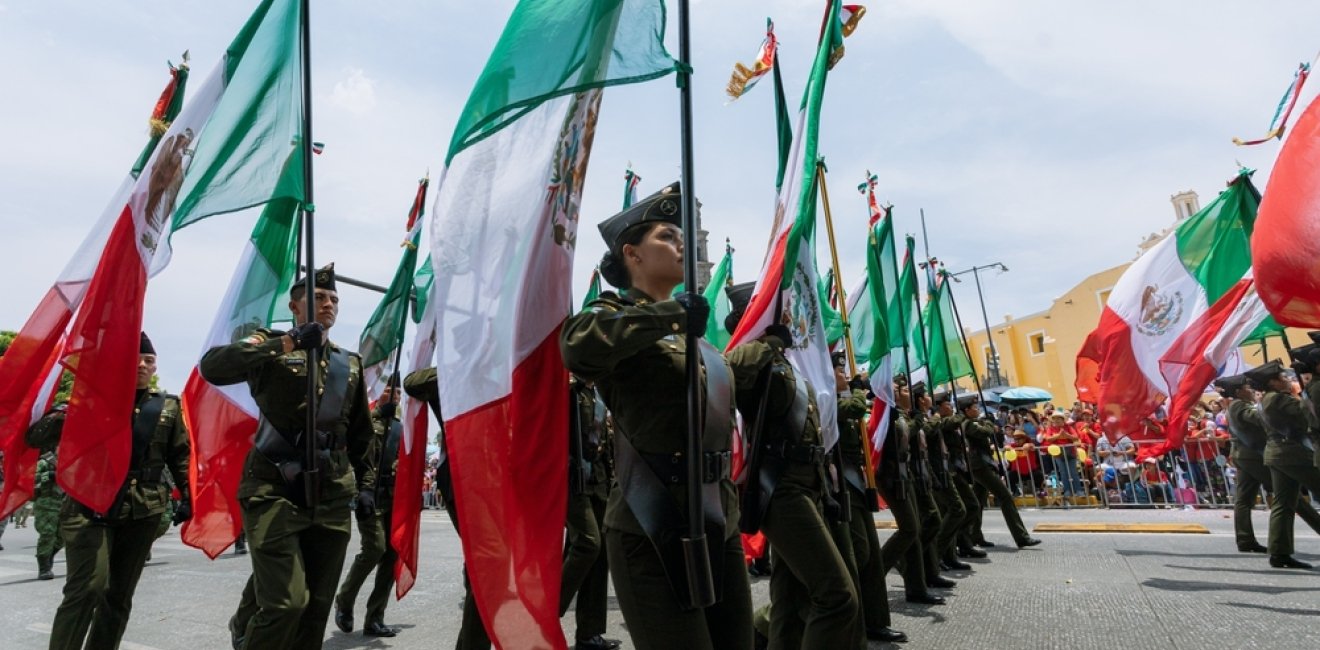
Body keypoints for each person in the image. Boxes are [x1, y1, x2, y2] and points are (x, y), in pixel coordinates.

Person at [560, 183, 752, 650]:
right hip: (652, 520)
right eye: (667, 236)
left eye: (682, 234)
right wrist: (668, 316)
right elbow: (578, 345)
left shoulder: (699, 338)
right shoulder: (618, 314)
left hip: (715, 515)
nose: (681, 243)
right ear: (633, 254)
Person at [200, 264, 377, 648]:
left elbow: (361, 433)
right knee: (286, 604)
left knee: (314, 608)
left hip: (330, 492)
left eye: (332, 299)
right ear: (295, 307)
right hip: (273, 488)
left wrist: (366, 489)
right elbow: (213, 367)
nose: (327, 303)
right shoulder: (270, 344)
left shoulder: (349, 364)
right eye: (317, 297)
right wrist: (290, 342)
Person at [34, 332, 191, 650]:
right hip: (89, 507)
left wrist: (190, 496)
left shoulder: (167, 407)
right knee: (87, 589)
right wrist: (76, 406)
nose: (145, 365)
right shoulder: (88, 399)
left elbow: (181, 456)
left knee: (119, 596)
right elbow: (35, 436)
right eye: (139, 359)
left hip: (142, 509)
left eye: (151, 361)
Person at [403, 367, 492, 650]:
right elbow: (412, 383)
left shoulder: (502, 371)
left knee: (486, 571)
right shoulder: (455, 375)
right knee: (487, 568)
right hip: (464, 481)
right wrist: (459, 362)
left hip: (498, 481)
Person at [833, 354, 906, 644]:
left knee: (871, 554)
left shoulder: (845, 401)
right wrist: (858, 389)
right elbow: (849, 409)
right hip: (839, 481)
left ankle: (875, 621)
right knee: (856, 554)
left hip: (857, 480)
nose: (843, 373)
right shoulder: (830, 401)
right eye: (839, 370)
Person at [334, 377, 405, 638]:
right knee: (374, 547)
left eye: (397, 392)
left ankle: (375, 617)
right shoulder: (365, 421)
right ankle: (344, 599)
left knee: (391, 556)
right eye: (389, 390)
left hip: (392, 496)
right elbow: (355, 450)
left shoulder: (400, 426)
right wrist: (377, 418)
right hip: (369, 495)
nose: (394, 395)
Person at [559, 377, 622, 650]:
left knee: (599, 555)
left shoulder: (596, 392)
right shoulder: (566, 389)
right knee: (588, 543)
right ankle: (543, 611)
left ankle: (589, 634)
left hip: (598, 480)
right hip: (571, 480)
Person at [878, 380, 945, 607]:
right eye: (902, 390)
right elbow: (901, 433)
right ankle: (874, 572)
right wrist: (918, 418)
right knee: (910, 529)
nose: (906, 393)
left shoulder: (899, 414)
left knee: (915, 531)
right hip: (891, 477)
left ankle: (916, 587)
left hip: (906, 476)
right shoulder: (886, 413)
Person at [1251, 360, 1320, 568]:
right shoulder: (1278, 400)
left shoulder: (1267, 399)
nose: (1287, 380)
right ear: (1272, 383)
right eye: (1282, 378)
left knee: (1283, 504)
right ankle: (1279, 552)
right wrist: (1307, 394)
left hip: (1279, 455)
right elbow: (1307, 413)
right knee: (1285, 504)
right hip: (1293, 455)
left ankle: (1279, 553)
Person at [960, 396, 1041, 548]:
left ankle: (973, 535)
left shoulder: (974, 422)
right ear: (967, 410)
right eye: (974, 407)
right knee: (1005, 497)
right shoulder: (967, 424)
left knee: (977, 503)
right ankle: (1021, 536)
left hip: (982, 464)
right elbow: (986, 431)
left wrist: (987, 423)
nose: (977, 409)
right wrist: (989, 423)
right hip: (979, 466)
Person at [33, 448, 65, 580]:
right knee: (47, 534)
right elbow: (31, 478)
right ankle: (44, 568)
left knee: (63, 536)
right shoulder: (45, 462)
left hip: (63, 503)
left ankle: (49, 554)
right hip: (46, 503)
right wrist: (49, 475)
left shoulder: (70, 461)